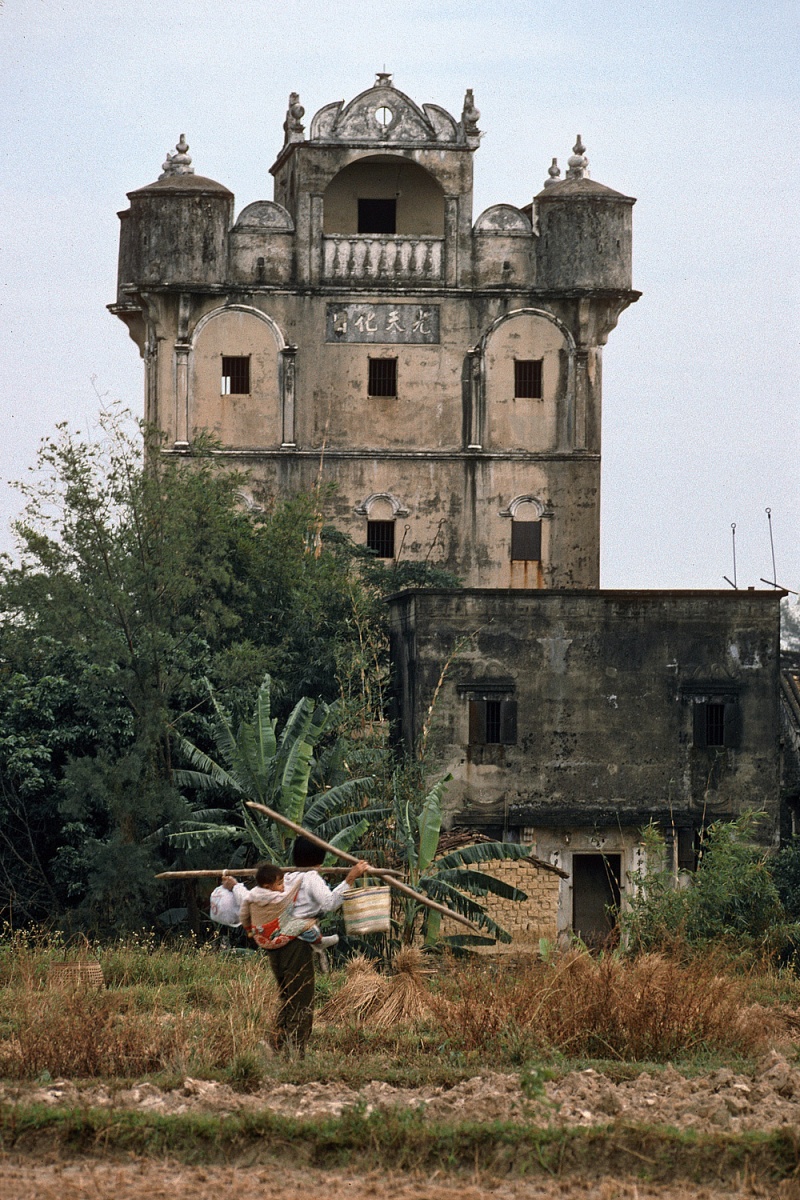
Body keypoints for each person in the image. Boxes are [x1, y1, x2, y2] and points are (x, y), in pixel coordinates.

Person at [267, 838, 370, 1055]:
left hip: (279, 943)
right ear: (319, 860)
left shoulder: (288, 876)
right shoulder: (310, 877)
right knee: (302, 997)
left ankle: (278, 1045)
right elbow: (329, 904)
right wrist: (351, 878)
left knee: (288, 994)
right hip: (297, 944)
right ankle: (294, 1052)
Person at [235, 861, 339, 957]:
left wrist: (248, 929)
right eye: (280, 884)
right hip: (273, 936)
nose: (283, 887)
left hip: (259, 937)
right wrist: (300, 882)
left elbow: (243, 914)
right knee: (308, 925)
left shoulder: (252, 894)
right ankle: (318, 942)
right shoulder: (277, 898)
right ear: (267, 887)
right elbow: (290, 897)